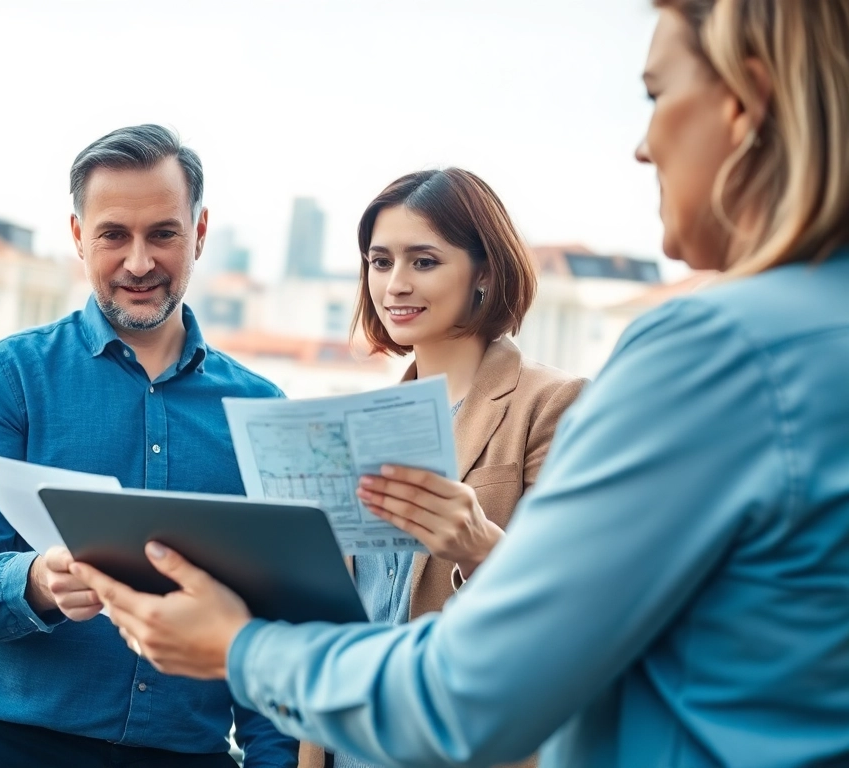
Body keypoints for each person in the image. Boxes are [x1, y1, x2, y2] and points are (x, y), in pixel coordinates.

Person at [72, 1, 849, 765]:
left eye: (655, 94)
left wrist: (239, 648)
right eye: (380, 262)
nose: (644, 145)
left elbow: (484, 687)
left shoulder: (700, 355)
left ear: (744, 104)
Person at [0, 125, 297, 767]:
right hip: (5, 748)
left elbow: (272, 630)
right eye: (114, 235)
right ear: (77, 238)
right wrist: (32, 581)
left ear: (199, 234)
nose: (140, 262)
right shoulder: (10, 375)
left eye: (164, 234)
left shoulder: (262, 412)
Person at [301, 170, 585, 768]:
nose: (395, 284)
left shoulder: (550, 406)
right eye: (380, 261)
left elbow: (575, 609)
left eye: (423, 261)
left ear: (484, 270)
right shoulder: (357, 423)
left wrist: (480, 546)